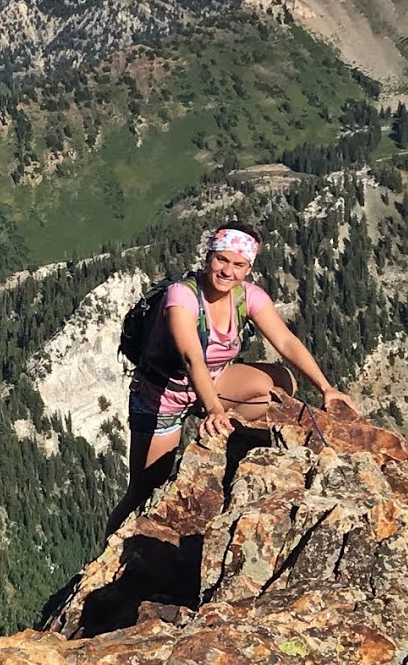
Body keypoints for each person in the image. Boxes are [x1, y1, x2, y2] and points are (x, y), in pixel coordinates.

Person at [106, 221, 360, 535]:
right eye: (222, 260)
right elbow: (191, 357)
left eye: (239, 265)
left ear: (249, 268)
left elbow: (285, 342)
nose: (228, 271)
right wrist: (213, 409)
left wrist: (326, 387)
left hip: (213, 384)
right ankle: (106, 555)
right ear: (208, 257)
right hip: (162, 396)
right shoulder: (182, 297)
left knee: (280, 385)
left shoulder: (247, 296)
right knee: (143, 488)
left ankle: (227, 442)